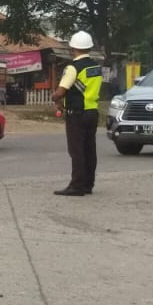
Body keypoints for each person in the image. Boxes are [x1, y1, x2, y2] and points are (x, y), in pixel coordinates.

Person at [52, 31, 102, 197]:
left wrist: (55, 98)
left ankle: (77, 186)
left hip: (77, 114)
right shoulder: (96, 67)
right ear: (89, 47)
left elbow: (60, 92)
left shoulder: (73, 68)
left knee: (77, 150)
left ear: (72, 48)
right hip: (92, 112)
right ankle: (88, 184)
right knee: (89, 149)